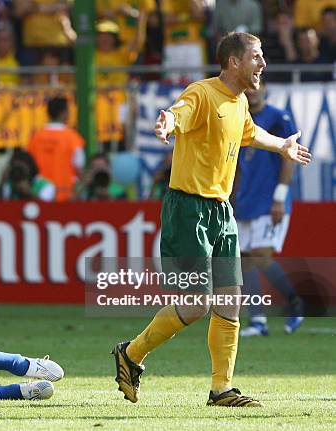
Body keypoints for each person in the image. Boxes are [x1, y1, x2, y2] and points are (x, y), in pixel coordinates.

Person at [112, 32, 311, 407]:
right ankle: (131, 353)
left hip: (222, 212)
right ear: (234, 62)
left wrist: (282, 145)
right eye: (256, 56)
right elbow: (178, 113)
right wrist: (167, 123)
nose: (263, 64)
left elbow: (252, 134)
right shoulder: (202, 93)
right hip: (189, 210)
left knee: (230, 302)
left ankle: (221, 389)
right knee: (196, 304)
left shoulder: (238, 104)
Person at [235, 80, 304, 336]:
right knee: (243, 261)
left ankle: (296, 303)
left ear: (265, 89)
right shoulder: (240, 119)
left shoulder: (278, 117)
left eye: (256, 86)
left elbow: (289, 157)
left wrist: (280, 197)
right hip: (246, 201)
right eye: (247, 88)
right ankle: (258, 321)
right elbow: (239, 166)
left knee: (261, 255)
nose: (252, 91)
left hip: (268, 200)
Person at [27, 96, 85, 201]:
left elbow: (29, 166)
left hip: (40, 195)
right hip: (66, 195)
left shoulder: (35, 137)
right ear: (64, 113)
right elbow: (79, 168)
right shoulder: (73, 138)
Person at [160, 0, 207, 83]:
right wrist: (187, 16)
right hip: (173, 44)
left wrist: (179, 17)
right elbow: (167, 19)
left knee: (196, 82)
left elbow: (199, 15)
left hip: (194, 44)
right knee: (172, 81)